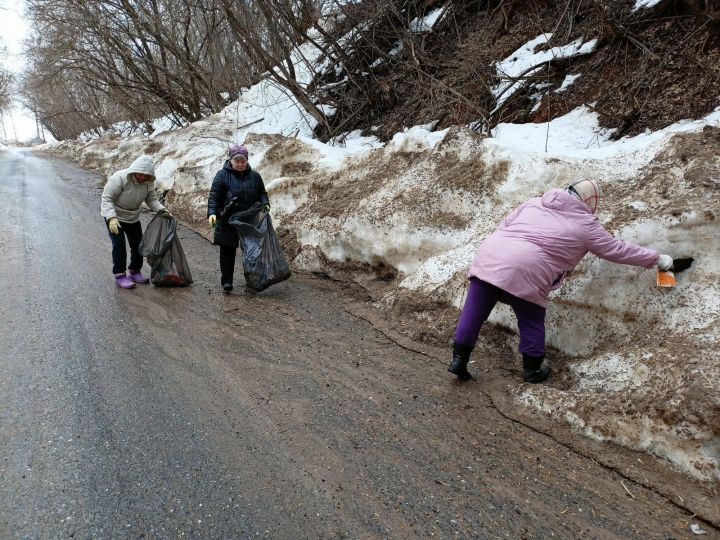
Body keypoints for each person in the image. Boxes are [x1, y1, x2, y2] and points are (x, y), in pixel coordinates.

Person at [448, 179, 674, 384]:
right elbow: (616, 250)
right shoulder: (586, 225)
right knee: (531, 319)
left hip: (491, 254)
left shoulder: (535, 202)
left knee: (474, 310)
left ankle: (459, 358)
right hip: (528, 268)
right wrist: (656, 258)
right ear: (590, 201)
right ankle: (532, 370)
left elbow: (505, 224)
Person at [100, 155, 171, 289]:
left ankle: (134, 271)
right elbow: (107, 198)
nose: (142, 178)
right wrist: (111, 218)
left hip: (132, 217)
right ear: (134, 170)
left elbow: (152, 200)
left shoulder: (148, 182)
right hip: (115, 217)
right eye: (140, 174)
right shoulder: (120, 178)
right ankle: (120, 275)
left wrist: (162, 210)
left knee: (138, 244)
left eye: (146, 176)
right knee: (119, 245)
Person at [207, 144, 270, 293]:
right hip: (228, 219)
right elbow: (214, 196)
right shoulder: (221, 175)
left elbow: (262, 192)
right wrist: (212, 214)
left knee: (252, 251)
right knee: (227, 250)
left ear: (247, 161)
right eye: (237, 161)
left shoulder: (255, 176)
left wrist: (265, 203)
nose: (240, 164)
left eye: (243, 161)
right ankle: (227, 282)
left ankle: (254, 280)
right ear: (231, 161)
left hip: (249, 220)